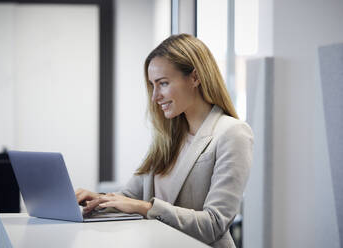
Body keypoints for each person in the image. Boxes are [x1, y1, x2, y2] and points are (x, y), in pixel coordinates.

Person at [75, 33, 253, 248]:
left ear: (195, 78)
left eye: (163, 83)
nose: (155, 97)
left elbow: (214, 224)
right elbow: (129, 197)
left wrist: (146, 208)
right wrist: (93, 199)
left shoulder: (233, 133)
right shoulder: (168, 136)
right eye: (152, 85)